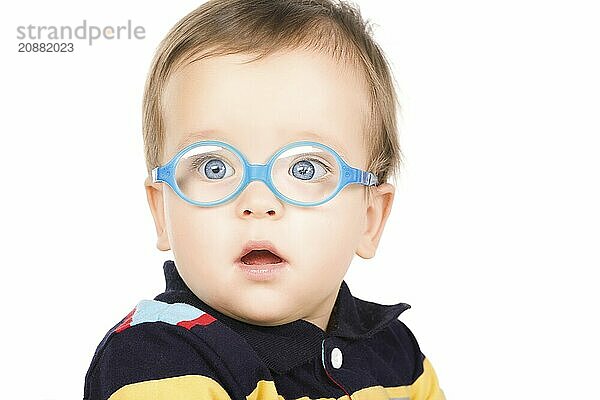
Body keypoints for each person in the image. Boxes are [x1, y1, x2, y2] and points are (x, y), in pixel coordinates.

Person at [84, 0, 445, 398]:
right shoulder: (155, 359)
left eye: (305, 168)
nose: (258, 202)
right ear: (162, 212)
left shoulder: (398, 356)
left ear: (370, 219)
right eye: (213, 167)